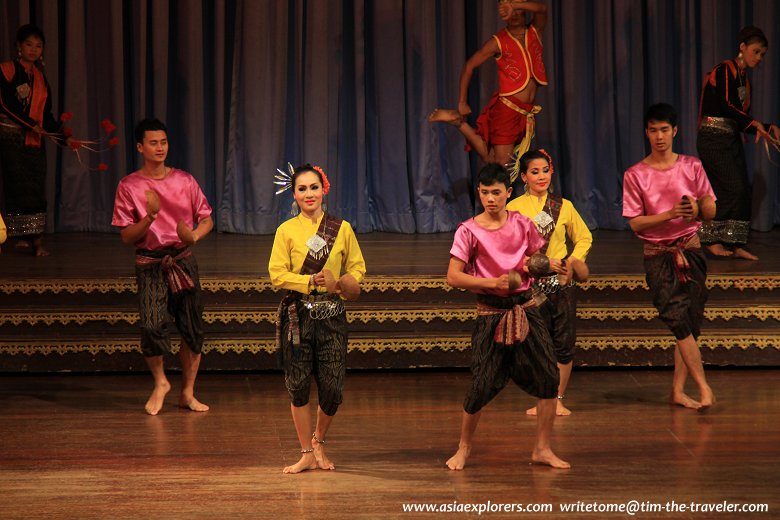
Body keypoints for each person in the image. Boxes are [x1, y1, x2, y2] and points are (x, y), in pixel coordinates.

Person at [445, 163, 569, 471]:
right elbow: (453, 277)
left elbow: (529, 260)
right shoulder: (468, 230)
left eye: (496, 192)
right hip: (492, 314)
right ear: (479, 192)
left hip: (526, 309)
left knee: (548, 378)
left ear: (508, 193)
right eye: (485, 192)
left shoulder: (522, 223)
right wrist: (492, 283)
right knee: (481, 385)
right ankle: (463, 448)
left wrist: (550, 264)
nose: (490, 198)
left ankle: (542, 448)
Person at [111, 118, 213, 416]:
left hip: (182, 260)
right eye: (153, 143)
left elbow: (206, 218)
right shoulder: (129, 185)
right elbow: (126, 236)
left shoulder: (184, 180)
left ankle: (188, 393)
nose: (160, 148)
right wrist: (150, 218)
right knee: (153, 325)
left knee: (192, 329)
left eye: (163, 142)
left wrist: (194, 235)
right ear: (141, 147)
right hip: (151, 263)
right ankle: (161, 382)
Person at [268, 163, 366, 474]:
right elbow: (276, 275)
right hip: (298, 316)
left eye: (314, 187)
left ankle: (319, 438)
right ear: (294, 195)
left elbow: (357, 268)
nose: (308, 194)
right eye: (302, 189)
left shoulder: (342, 228)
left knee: (333, 389)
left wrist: (345, 281)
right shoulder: (286, 231)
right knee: (298, 386)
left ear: (324, 188)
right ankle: (307, 452)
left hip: (332, 315)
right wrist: (309, 282)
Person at [623, 103, 716, 411]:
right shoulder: (636, 174)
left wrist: (698, 209)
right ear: (646, 133)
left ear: (675, 131)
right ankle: (704, 387)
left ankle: (677, 390)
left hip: (690, 249)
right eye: (653, 130)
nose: (659, 136)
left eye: (664, 130)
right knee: (676, 318)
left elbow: (711, 209)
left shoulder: (691, 166)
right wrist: (670, 213)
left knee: (689, 323)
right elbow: (636, 222)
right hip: (659, 255)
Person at [506, 149, 591, 416]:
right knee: (536, 343)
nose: (541, 176)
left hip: (561, 284)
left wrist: (571, 262)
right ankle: (542, 396)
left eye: (545, 170)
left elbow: (584, 238)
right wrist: (528, 263)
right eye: (534, 172)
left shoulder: (563, 206)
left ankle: (557, 398)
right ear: (524, 177)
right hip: (531, 285)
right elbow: (507, 246)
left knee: (563, 343)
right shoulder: (514, 208)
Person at [428, 1, 548, 178]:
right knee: (500, 164)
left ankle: (458, 122)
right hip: (507, 109)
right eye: (509, 11)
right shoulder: (497, 41)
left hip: (525, 112)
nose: (514, 14)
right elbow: (469, 66)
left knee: (497, 160)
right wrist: (462, 101)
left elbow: (542, 8)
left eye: (518, 10)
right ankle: (458, 122)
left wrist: (513, 4)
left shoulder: (535, 31)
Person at [696, 26, 779, 261]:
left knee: (743, 190)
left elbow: (740, 119)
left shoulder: (744, 81)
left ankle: (735, 243)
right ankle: (710, 239)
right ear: (742, 47)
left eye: (762, 54)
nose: (759, 58)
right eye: (756, 51)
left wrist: (769, 128)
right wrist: (756, 125)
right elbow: (725, 106)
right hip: (713, 137)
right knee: (733, 188)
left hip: (729, 138)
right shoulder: (724, 70)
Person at [0, 24, 67, 256]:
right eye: (29, 44)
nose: (33, 49)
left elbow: (46, 116)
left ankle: (35, 238)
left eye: (38, 45)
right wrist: (31, 125)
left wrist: (62, 135)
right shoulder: (6, 70)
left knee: (35, 186)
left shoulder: (41, 79)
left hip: (34, 140)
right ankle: (24, 237)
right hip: (10, 139)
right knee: (17, 186)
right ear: (19, 46)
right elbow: (4, 104)